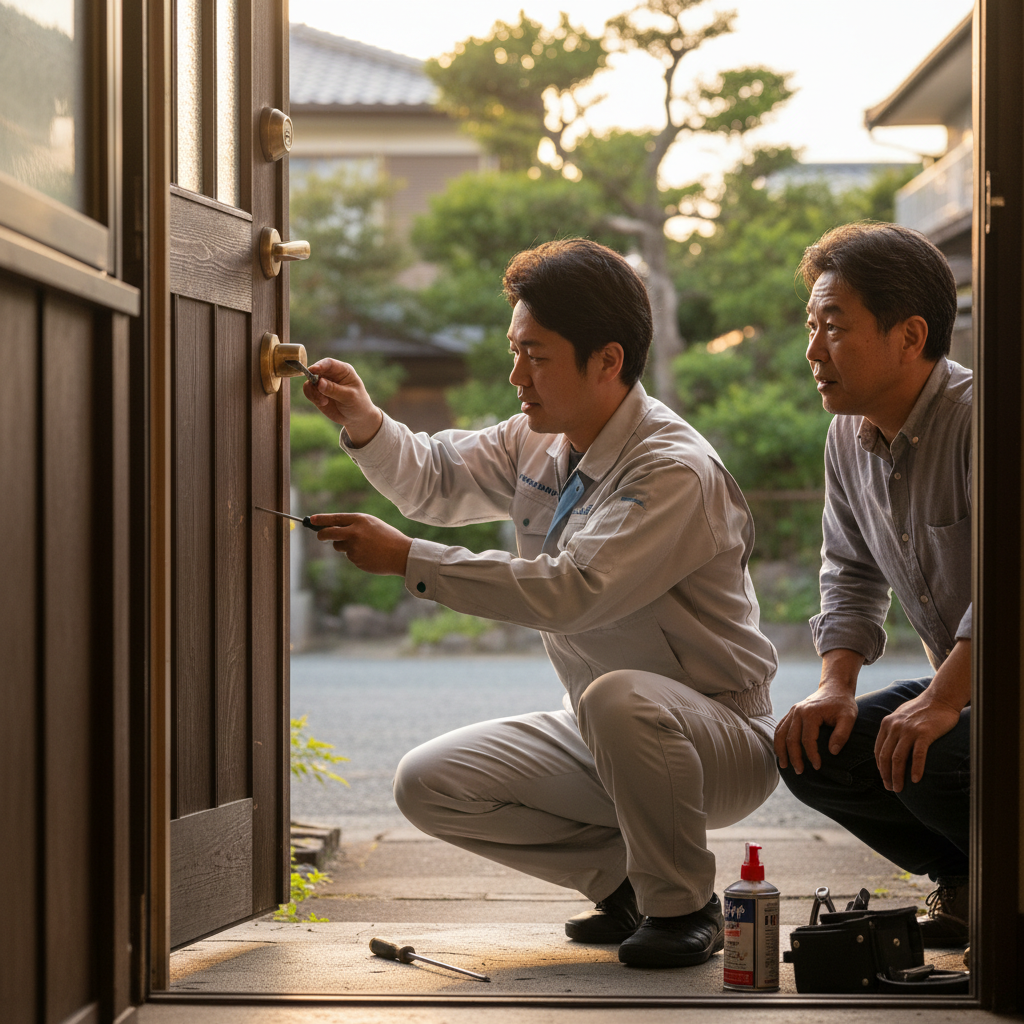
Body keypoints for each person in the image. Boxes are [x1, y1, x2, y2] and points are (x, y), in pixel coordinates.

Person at [302, 238, 779, 969]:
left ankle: (683, 905)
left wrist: (408, 559)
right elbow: (436, 479)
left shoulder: (672, 469)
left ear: (607, 361)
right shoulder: (539, 438)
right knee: (428, 783)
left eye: (536, 355)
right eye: (514, 350)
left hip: (720, 738)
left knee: (619, 698)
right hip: (606, 728)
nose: (516, 375)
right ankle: (624, 886)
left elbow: (573, 591)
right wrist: (364, 419)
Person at [775, 222, 971, 948]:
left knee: (928, 758)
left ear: (910, 336)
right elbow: (850, 570)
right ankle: (970, 885)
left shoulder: (984, 421)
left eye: (834, 326)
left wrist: (941, 701)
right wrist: (836, 685)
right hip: (968, 687)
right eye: (812, 326)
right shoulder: (847, 435)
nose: (813, 351)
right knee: (814, 750)